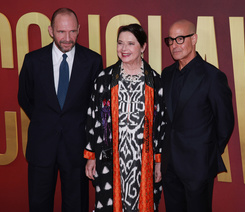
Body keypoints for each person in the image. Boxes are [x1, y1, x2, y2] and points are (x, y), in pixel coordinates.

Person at [18, 8, 103, 212]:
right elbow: (25, 98)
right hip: (41, 146)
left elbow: (96, 105)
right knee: (39, 205)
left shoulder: (92, 61)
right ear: (50, 31)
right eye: (61, 32)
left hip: (76, 148)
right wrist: (45, 121)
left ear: (79, 30)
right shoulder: (33, 60)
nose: (67, 38)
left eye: (72, 31)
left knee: (76, 206)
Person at [84, 23, 166, 212]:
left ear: (143, 47)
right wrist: (91, 155)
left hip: (142, 159)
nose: (124, 49)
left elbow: (161, 125)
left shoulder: (154, 81)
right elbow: (92, 119)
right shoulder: (104, 79)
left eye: (130, 43)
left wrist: (159, 162)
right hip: (110, 158)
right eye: (120, 43)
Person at [161, 19, 234, 212]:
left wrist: (206, 154)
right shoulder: (166, 74)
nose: (174, 45)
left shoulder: (212, 76)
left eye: (180, 39)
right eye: (170, 40)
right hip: (170, 167)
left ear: (194, 39)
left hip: (198, 166)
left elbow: (225, 124)